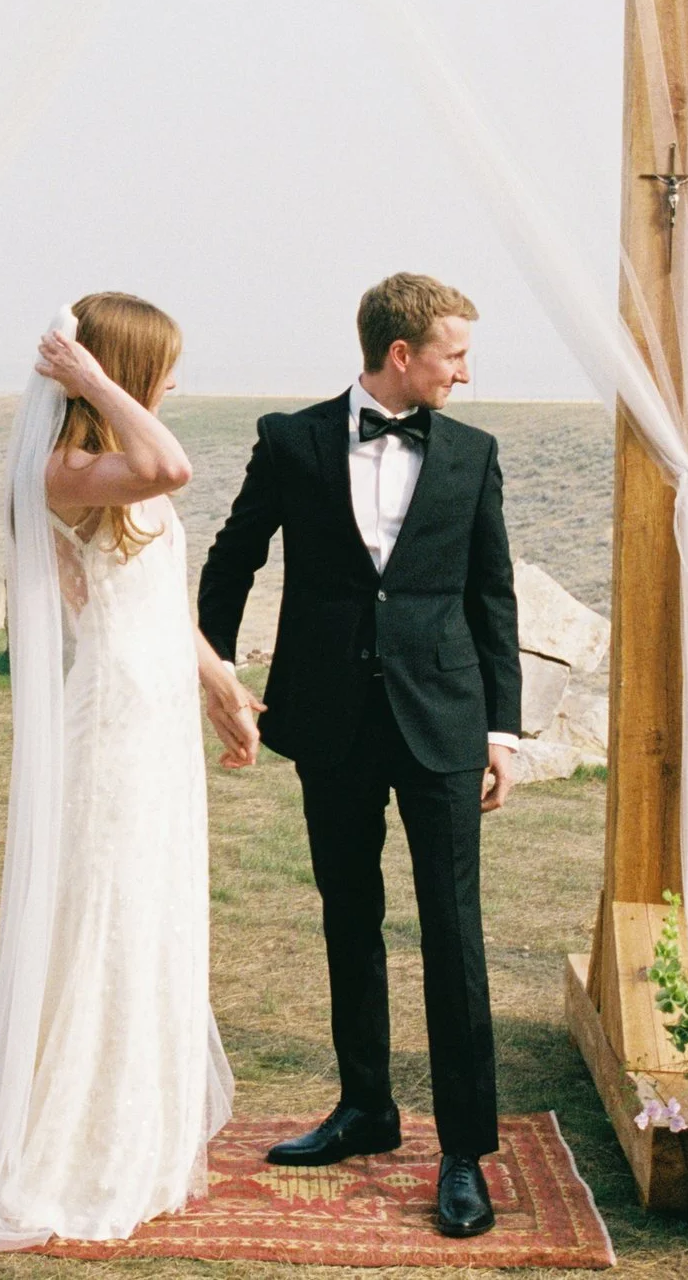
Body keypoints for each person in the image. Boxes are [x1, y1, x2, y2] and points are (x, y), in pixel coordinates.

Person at [0, 293, 255, 1250]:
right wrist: (93, 380)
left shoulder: (111, 468)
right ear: (126, 370)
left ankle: (129, 1127)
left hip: (159, 716)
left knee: (151, 909)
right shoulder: (66, 468)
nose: (175, 384)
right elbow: (169, 465)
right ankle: (72, 1146)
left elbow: (160, 599)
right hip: (112, 722)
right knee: (106, 910)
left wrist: (219, 684)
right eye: (163, 367)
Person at [197, 272, 522, 1240]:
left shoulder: (472, 452)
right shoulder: (288, 439)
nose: (464, 372)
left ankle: (463, 1148)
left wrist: (500, 730)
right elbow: (232, 554)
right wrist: (216, 672)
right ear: (400, 354)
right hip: (330, 715)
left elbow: (492, 594)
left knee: (452, 930)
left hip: (442, 720)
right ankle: (364, 1108)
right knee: (349, 913)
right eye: (453, 354)